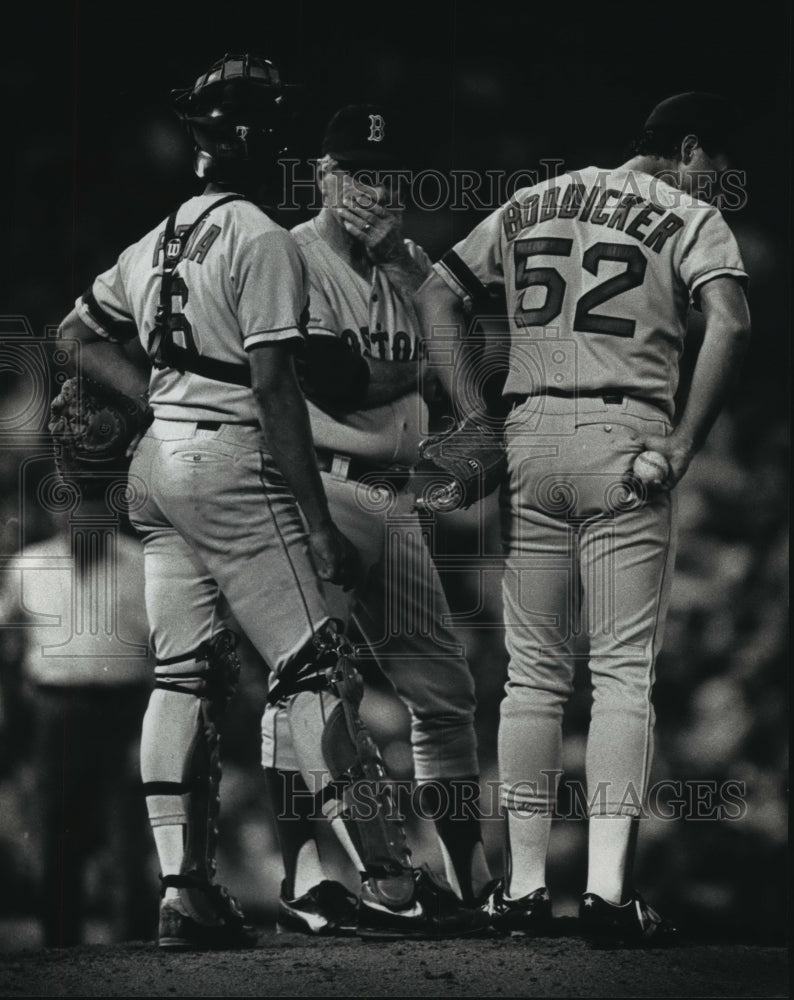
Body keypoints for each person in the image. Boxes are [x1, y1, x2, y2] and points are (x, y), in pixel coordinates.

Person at [56, 54, 484, 948]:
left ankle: (184, 893)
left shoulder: (163, 233)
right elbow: (279, 390)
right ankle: (392, 885)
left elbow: (73, 335)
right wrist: (317, 522)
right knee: (317, 670)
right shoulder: (260, 237)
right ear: (275, 142)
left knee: (181, 678)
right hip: (230, 463)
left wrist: (153, 403)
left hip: (157, 465)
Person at [415, 92, 751, 944]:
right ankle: (605, 894)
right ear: (688, 146)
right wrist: (680, 446)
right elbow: (732, 323)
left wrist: (474, 417)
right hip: (626, 436)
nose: (719, 178)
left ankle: (524, 891)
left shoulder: (533, 199)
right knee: (622, 673)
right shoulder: (689, 211)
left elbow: (435, 295)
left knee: (531, 674)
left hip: (530, 434)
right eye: (715, 160)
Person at [260, 105, 494, 936]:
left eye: (389, 175)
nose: (375, 188)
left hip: (393, 500)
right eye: (357, 172)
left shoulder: (405, 264)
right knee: (313, 690)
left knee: (445, 690)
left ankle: (470, 880)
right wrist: (422, 355)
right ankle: (311, 880)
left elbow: (466, 362)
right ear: (321, 172)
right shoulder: (288, 253)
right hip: (313, 491)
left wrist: (411, 272)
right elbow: (333, 382)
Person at [0, 485, 155, 947]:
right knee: (57, 831)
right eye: (70, 504)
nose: (81, 515)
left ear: (111, 512)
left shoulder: (143, 564)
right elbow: (8, 650)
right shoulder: (27, 567)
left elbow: (165, 652)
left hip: (127, 708)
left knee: (127, 832)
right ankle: (60, 947)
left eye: (92, 504)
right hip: (55, 711)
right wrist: (16, 727)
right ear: (55, 511)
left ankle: (136, 950)